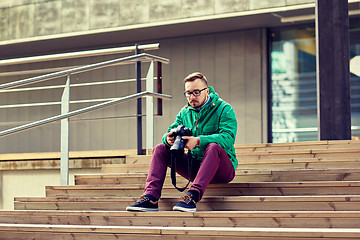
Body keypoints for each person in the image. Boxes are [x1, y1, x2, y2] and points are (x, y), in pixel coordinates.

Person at [126, 72, 238, 212]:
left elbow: (228, 138)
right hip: (195, 167)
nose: (192, 97)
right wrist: (168, 139)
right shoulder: (184, 113)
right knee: (160, 148)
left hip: (222, 170)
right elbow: (169, 132)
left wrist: (198, 141)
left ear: (207, 91)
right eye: (188, 93)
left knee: (213, 147)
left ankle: (192, 196)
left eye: (196, 92)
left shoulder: (224, 109)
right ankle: (151, 198)